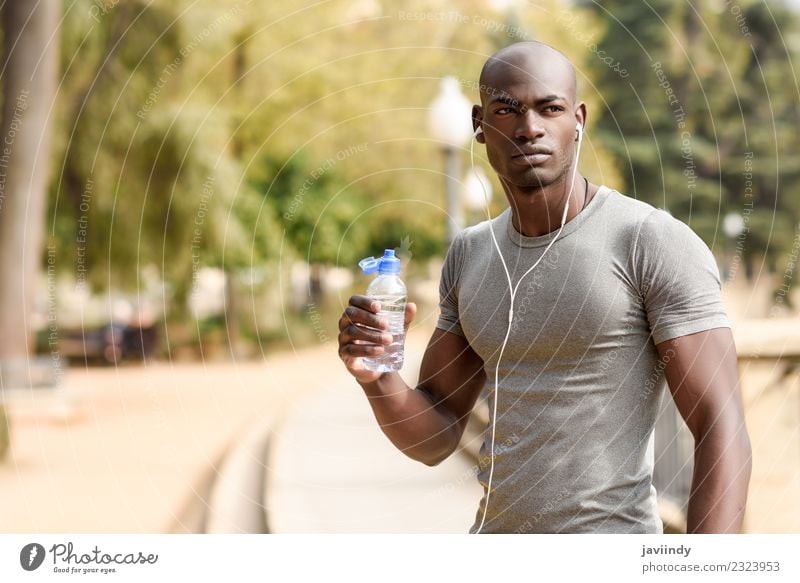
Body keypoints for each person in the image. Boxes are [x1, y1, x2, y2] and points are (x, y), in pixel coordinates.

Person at [337, 41, 752, 534]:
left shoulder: (648, 241)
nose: (528, 127)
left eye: (549, 108)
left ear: (577, 119)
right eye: (506, 110)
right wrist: (378, 376)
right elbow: (437, 435)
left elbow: (721, 429)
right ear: (479, 124)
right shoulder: (471, 253)